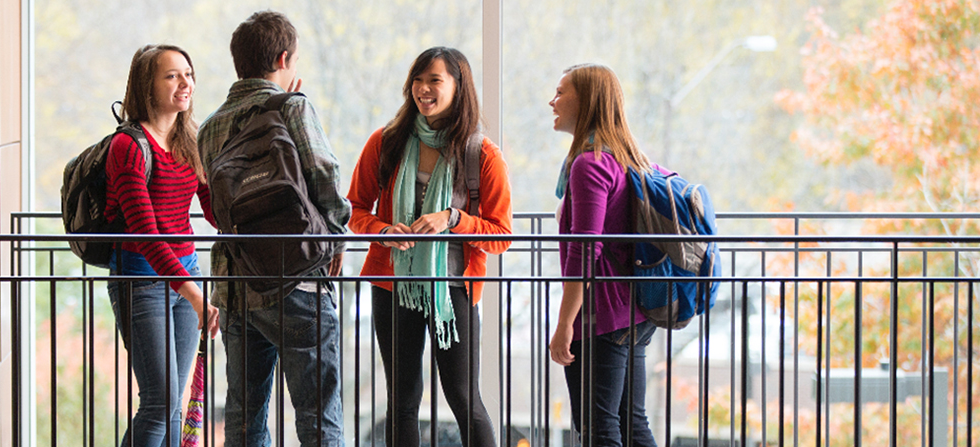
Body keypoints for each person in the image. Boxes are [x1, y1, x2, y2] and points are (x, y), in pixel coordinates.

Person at [195, 11, 350, 447]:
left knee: (244, 418)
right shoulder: (293, 107)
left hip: (236, 283)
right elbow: (322, 170)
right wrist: (336, 236)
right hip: (295, 279)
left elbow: (220, 206)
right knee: (318, 414)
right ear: (284, 58)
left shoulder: (209, 127)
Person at [347, 46, 511, 447]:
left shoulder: (481, 154)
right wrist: (384, 231)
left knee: (463, 399)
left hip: (453, 289)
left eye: (434, 80)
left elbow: (501, 234)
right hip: (392, 285)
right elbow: (353, 211)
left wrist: (452, 220)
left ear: (458, 86)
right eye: (418, 81)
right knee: (402, 400)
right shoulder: (385, 142)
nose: (423, 89)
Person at [104, 44, 221, 447]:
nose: (185, 83)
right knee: (159, 402)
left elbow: (214, 211)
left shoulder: (191, 140)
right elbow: (144, 232)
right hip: (142, 281)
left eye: (188, 74)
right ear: (147, 86)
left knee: (172, 405)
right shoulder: (128, 147)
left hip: (185, 275)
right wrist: (192, 294)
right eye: (172, 75)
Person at [546, 63, 667, 447]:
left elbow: (585, 249)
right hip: (635, 308)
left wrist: (566, 322)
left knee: (598, 428)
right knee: (632, 424)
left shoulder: (590, 162)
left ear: (587, 101)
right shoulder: (628, 156)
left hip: (603, 314)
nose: (553, 101)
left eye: (562, 92)